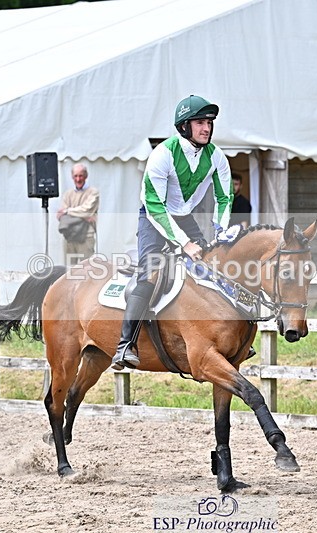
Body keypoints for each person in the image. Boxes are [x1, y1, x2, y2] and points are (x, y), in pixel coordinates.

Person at [111, 94, 233, 370]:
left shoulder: (216, 156)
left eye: (209, 123)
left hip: (182, 215)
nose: (207, 128)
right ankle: (124, 345)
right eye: (200, 122)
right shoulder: (163, 154)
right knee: (151, 271)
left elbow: (225, 197)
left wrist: (221, 231)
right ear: (183, 127)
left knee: (213, 263)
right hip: (153, 217)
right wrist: (185, 243)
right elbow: (156, 207)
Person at [56, 163, 100, 261]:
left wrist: (67, 211)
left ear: (86, 176)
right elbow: (61, 217)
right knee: (69, 271)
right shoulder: (68, 194)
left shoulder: (93, 192)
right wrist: (83, 216)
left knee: (86, 270)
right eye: (75, 176)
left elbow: (87, 210)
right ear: (72, 177)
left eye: (81, 176)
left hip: (86, 237)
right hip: (69, 236)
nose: (78, 179)